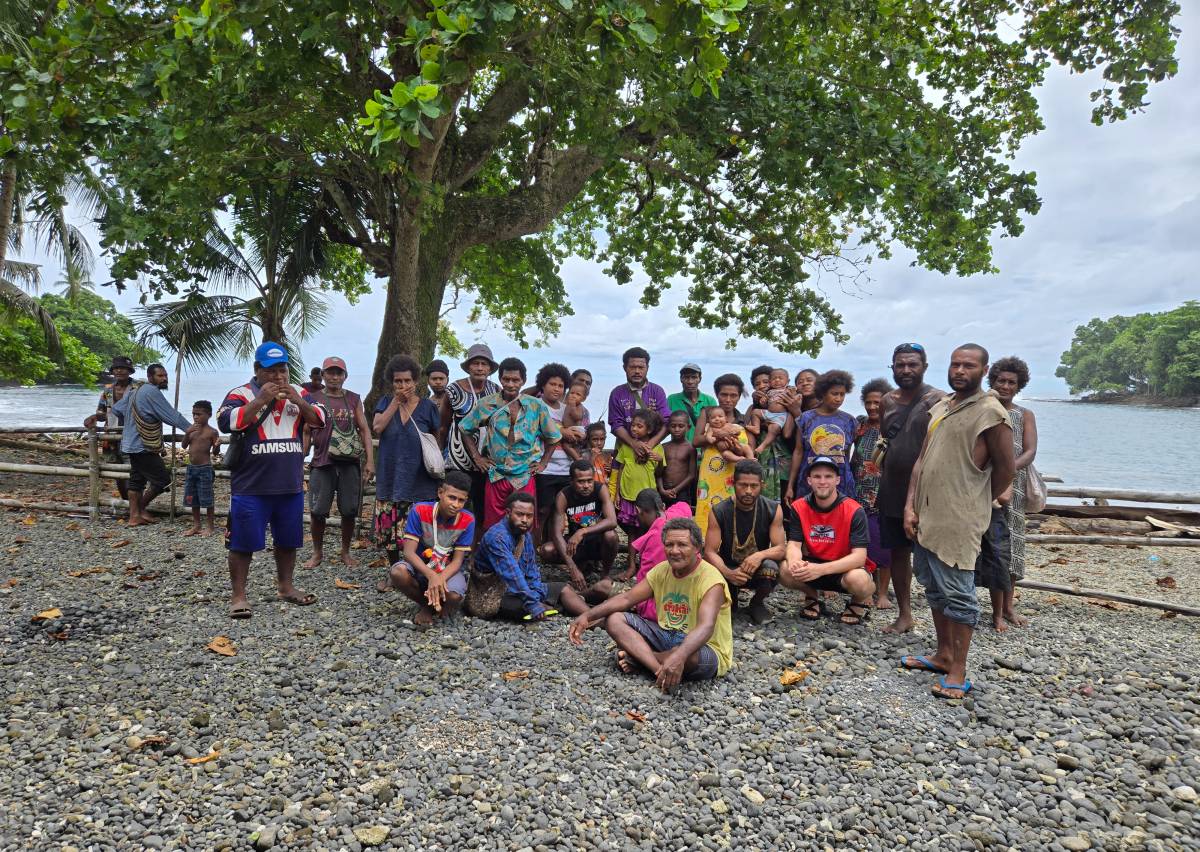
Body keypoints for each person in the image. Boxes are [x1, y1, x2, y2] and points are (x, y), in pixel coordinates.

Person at [902, 344, 1014, 699]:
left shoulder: (991, 413)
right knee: (933, 587)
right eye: (955, 364)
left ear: (983, 371)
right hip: (926, 514)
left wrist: (976, 498)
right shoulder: (942, 406)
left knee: (959, 594)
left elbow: (1006, 470)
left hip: (959, 520)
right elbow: (921, 461)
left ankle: (959, 669)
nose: (960, 370)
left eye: (969, 365)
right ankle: (943, 653)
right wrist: (910, 505)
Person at [218, 342, 326, 619]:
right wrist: (260, 401)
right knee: (242, 543)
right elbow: (226, 422)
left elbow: (321, 420)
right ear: (257, 371)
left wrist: (299, 401)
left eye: (283, 370)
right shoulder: (240, 394)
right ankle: (239, 595)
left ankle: (286, 587)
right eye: (271, 371)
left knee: (288, 540)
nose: (278, 377)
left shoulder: (300, 393)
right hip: (250, 486)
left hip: (289, 484)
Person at [567, 517, 733, 692]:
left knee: (687, 656)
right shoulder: (662, 570)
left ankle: (640, 658)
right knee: (614, 619)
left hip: (705, 647)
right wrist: (588, 615)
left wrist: (680, 655)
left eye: (682, 545)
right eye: (669, 545)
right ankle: (657, 670)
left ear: (697, 548)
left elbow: (706, 627)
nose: (674, 551)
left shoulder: (711, 580)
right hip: (667, 635)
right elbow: (627, 599)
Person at [876, 343, 945, 635]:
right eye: (900, 365)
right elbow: (885, 440)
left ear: (924, 367)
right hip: (892, 487)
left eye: (912, 364)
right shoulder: (887, 402)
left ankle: (943, 619)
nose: (906, 370)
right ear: (892, 367)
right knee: (897, 553)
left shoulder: (938, 400)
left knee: (932, 555)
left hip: (928, 491)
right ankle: (905, 614)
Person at [460, 356, 561, 530]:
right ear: (500, 380)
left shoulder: (536, 406)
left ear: (523, 381)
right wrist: (477, 458)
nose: (511, 384)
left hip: (524, 474)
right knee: (494, 524)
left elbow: (554, 437)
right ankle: (496, 556)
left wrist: (543, 463)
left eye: (515, 380)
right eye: (506, 379)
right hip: (496, 474)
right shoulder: (487, 404)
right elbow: (465, 428)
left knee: (523, 523)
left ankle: (521, 557)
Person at [373, 354, 443, 589]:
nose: (402, 386)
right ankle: (393, 572)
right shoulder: (385, 402)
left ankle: (419, 573)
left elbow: (437, 438)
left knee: (420, 532)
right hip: (391, 477)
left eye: (407, 381)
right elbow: (377, 428)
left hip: (420, 479)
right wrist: (395, 402)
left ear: (416, 382)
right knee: (391, 533)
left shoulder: (428, 407)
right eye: (397, 381)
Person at [781, 456, 877, 624]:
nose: (822, 481)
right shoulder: (798, 506)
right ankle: (811, 597)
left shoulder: (854, 510)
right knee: (785, 570)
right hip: (812, 563)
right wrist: (795, 562)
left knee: (860, 582)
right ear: (809, 480)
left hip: (844, 567)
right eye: (817, 476)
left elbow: (859, 557)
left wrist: (820, 569)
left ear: (838, 480)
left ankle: (857, 602)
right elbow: (794, 544)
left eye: (828, 476)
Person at [470, 491, 587, 621]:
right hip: (493, 594)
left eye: (529, 516)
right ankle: (559, 607)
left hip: (519, 589)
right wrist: (533, 602)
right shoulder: (497, 537)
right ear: (508, 513)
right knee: (524, 607)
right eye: (519, 514)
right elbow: (513, 575)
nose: (525, 520)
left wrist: (536, 593)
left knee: (564, 589)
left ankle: (594, 617)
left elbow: (532, 571)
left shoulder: (525, 535)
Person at [303, 356, 374, 569]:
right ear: (323, 375)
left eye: (338, 373)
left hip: (349, 462)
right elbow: (306, 430)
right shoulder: (312, 398)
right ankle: (317, 552)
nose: (334, 377)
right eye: (330, 372)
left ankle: (345, 551)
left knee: (349, 510)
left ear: (345, 376)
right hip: (322, 461)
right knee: (317, 511)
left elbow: (364, 429)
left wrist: (369, 461)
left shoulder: (353, 399)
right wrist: (300, 458)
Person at [983, 356, 1038, 630]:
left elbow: (1029, 451)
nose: (1005, 386)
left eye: (1011, 382)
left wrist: (1007, 468)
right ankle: (989, 606)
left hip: (1013, 485)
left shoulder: (1024, 414)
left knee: (1013, 545)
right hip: (983, 483)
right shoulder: (983, 408)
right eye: (1000, 381)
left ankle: (1008, 606)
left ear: (1019, 386)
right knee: (991, 545)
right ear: (992, 381)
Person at [387, 471, 476, 626]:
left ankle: (432, 605)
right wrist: (431, 576)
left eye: (461, 500)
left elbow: (457, 562)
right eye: (451, 497)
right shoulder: (420, 510)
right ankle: (427, 605)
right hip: (421, 567)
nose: (455, 504)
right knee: (398, 573)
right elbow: (408, 553)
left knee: (454, 596)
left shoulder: (468, 519)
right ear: (440, 493)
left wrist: (439, 578)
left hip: (446, 570)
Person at [703, 460, 785, 625]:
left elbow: (781, 549)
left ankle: (756, 602)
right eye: (743, 485)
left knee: (772, 567)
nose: (748, 491)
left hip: (756, 569)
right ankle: (730, 594)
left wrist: (759, 556)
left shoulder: (772, 509)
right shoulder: (719, 511)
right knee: (709, 565)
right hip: (728, 567)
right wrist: (727, 572)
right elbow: (709, 551)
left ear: (761, 485)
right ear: (733, 483)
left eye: (754, 486)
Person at [111, 363, 191, 526]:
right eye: (160, 376)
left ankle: (135, 515)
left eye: (165, 375)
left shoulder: (136, 390)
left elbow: (118, 409)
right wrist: (192, 429)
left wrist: (133, 419)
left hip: (130, 443)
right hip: (143, 444)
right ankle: (140, 508)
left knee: (137, 480)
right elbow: (171, 416)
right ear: (150, 377)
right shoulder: (152, 392)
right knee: (162, 480)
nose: (164, 379)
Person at [539, 459, 619, 603]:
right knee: (547, 550)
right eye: (581, 481)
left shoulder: (600, 489)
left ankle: (605, 573)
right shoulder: (563, 496)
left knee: (611, 535)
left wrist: (582, 532)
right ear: (571, 481)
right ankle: (581, 565)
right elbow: (557, 534)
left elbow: (612, 521)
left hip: (596, 540)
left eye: (589, 480)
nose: (586, 486)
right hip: (576, 544)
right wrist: (572, 568)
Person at [438, 343, 500, 518]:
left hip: (486, 462)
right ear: (468, 367)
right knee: (453, 508)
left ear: (490, 368)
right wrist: (438, 456)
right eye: (475, 363)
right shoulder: (454, 390)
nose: (480, 368)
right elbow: (443, 427)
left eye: (484, 364)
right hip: (457, 461)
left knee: (481, 511)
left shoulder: (495, 390)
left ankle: (473, 545)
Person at [852, 377, 895, 609]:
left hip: (883, 494)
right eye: (868, 402)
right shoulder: (859, 424)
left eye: (877, 402)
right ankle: (863, 588)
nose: (871, 407)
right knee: (861, 544)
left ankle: (883, 592)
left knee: (884, 544)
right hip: (857, 492)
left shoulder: (894, 427)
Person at [692, 374, 753, 537]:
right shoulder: (707, 413)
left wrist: (735, 448)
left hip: (732, 471)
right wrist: (718, 435)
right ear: (717, 395)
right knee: (707, 507)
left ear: (739, 397)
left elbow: (746, 448)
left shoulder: (741, 420)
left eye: (733, 395)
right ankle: (705, 546)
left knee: (731, 508)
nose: (728, 399)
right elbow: (696, 440)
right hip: (709, 472)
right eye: (724, 395)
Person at [531, 363, 586, 539]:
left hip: (566, 468)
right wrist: (562, 431)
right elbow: (538, 428)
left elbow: (579, 432)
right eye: (552, 384)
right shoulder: (535, 406)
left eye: (561, 386)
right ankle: (533, 550)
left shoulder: (566, 409)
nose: (556, 389)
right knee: (542, 510)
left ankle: (558, 548)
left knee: (562, 511)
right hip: (544, 468)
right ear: (543, 385)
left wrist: (576, 433)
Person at [790, 369, 857, 501]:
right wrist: (790, 486)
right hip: (809, 482)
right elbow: (798, 452)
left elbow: (846, 454)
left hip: (841, 483)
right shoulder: (805, 419)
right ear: (823, 393)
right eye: (834, 394)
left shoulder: (849, 421)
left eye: (842, 394)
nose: (838, 399)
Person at [626, 490, 693, 619]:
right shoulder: (678, 514)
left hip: (664, 606)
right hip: (688, 595)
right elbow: (684, 505)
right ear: (662, 506)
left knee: (605, 587)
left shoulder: (655, 538)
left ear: (638, 510)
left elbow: (644, 585)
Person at [84, 355, 136, 501]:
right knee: (116, 471)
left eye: (123, 368)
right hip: (111, 437)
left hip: (132, 435)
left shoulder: (138, 388)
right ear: (113, 371)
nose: (119, 371)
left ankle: (135, 505)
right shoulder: (108, 391)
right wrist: (94, 417)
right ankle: (126, 502)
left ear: (130, 371)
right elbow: (101, 412)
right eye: (116, 368)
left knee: (133, 471)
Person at [607, 346, 671, 461]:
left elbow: (667, 422)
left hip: (652, 452)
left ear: (647, 368)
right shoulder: (617, 393)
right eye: (632, 367)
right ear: (624, 368)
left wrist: (650, 445)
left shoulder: (657, 391)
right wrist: (633, 443)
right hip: (624, 450)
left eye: (641, 367)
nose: (637, 371)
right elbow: (616, 424)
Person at [614, 409, 665, 540]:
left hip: (647, 498)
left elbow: (659, 473)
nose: (634, 429)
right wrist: (617, 493)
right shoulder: (626, 447)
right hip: (628, 496)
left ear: (649, 430)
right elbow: (621, 469)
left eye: (639, 426)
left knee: (649, 530)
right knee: (632, 532)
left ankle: (646, 559)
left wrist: (659, 460)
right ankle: (631, 561)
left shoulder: (658, 448)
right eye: (633, 425)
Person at [747, 365, 793, 501]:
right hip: (763, 465)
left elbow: (787, 433)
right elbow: (747, 427)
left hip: (783, 464)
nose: (761, 386)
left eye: (766, 382)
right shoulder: (755, 407)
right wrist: (755, 404)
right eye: (757, 384)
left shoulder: (786, 400)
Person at [181, 400, 221, 536]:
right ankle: (196, 525)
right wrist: (187, 433)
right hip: (191, 468)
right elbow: (184, 446)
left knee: (207, 498)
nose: (195, 417)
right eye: (193, 414)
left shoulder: (212, 432)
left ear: (209, 415)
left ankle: (210, 526)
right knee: (192, 498)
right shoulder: (191, 430)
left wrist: (217, 445)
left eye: (199, 414)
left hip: (205, 469)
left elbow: (215, 452)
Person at [667, 363, 716, 443]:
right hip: (680, 451)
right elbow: (665, 425)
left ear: (699, 379)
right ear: (681, 379)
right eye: (686, 377)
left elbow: (716, 426)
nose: (690, 381)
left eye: (694, 377)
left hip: (704, 451)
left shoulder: (709, 401)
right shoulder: (671, 400)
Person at [657, 410, 698, 507]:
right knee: (662, 519)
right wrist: (662, 489)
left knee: (680, 520)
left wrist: (675, 490)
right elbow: (658, 472)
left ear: (688, 427)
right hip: (663, 490)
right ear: (668, 427)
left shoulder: (691, 449)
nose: (676, 429)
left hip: (682, 492)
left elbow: (692, 475)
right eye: (673, 426)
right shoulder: (663, 447)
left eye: (681, 426)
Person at [561, 380, 591, 460]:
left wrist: (573, 407)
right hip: (570, 429)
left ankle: (577, 458)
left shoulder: (579, 407)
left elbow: (577, 417)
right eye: (572, 393)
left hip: (577, 430)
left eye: (578, 394)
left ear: (583, 399)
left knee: (566, 445)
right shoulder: (566, 405)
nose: (574, 396)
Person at [585, 422, 612, 487]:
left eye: (602, 439)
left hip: (604, 490)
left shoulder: (607, 456)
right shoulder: (585, 455)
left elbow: (609, 477)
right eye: (595, 439)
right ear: (588, 440)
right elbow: (585, 472)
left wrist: (610, 470)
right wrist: (592, 457)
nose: (599, 443)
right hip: (589, 490)